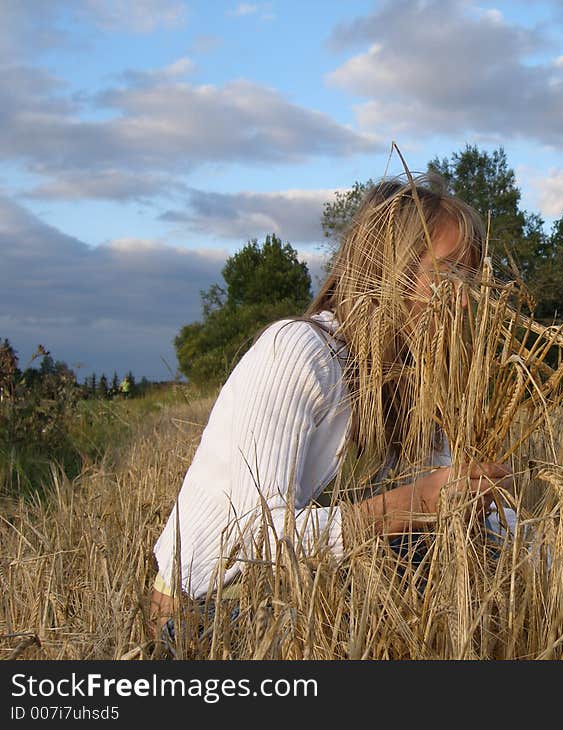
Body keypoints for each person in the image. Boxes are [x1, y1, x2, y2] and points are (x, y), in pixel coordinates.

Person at [149, 175, 517, 639]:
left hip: (317, 588)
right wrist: (416, 504)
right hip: (213, 606)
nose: (465, 301)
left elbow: (464, 500)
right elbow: (249, 539)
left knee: (479, 570)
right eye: (447, 275)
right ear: (386, 272)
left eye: (471, 279)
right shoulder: (299, 350)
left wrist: (513, 531)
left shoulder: (417, 382)